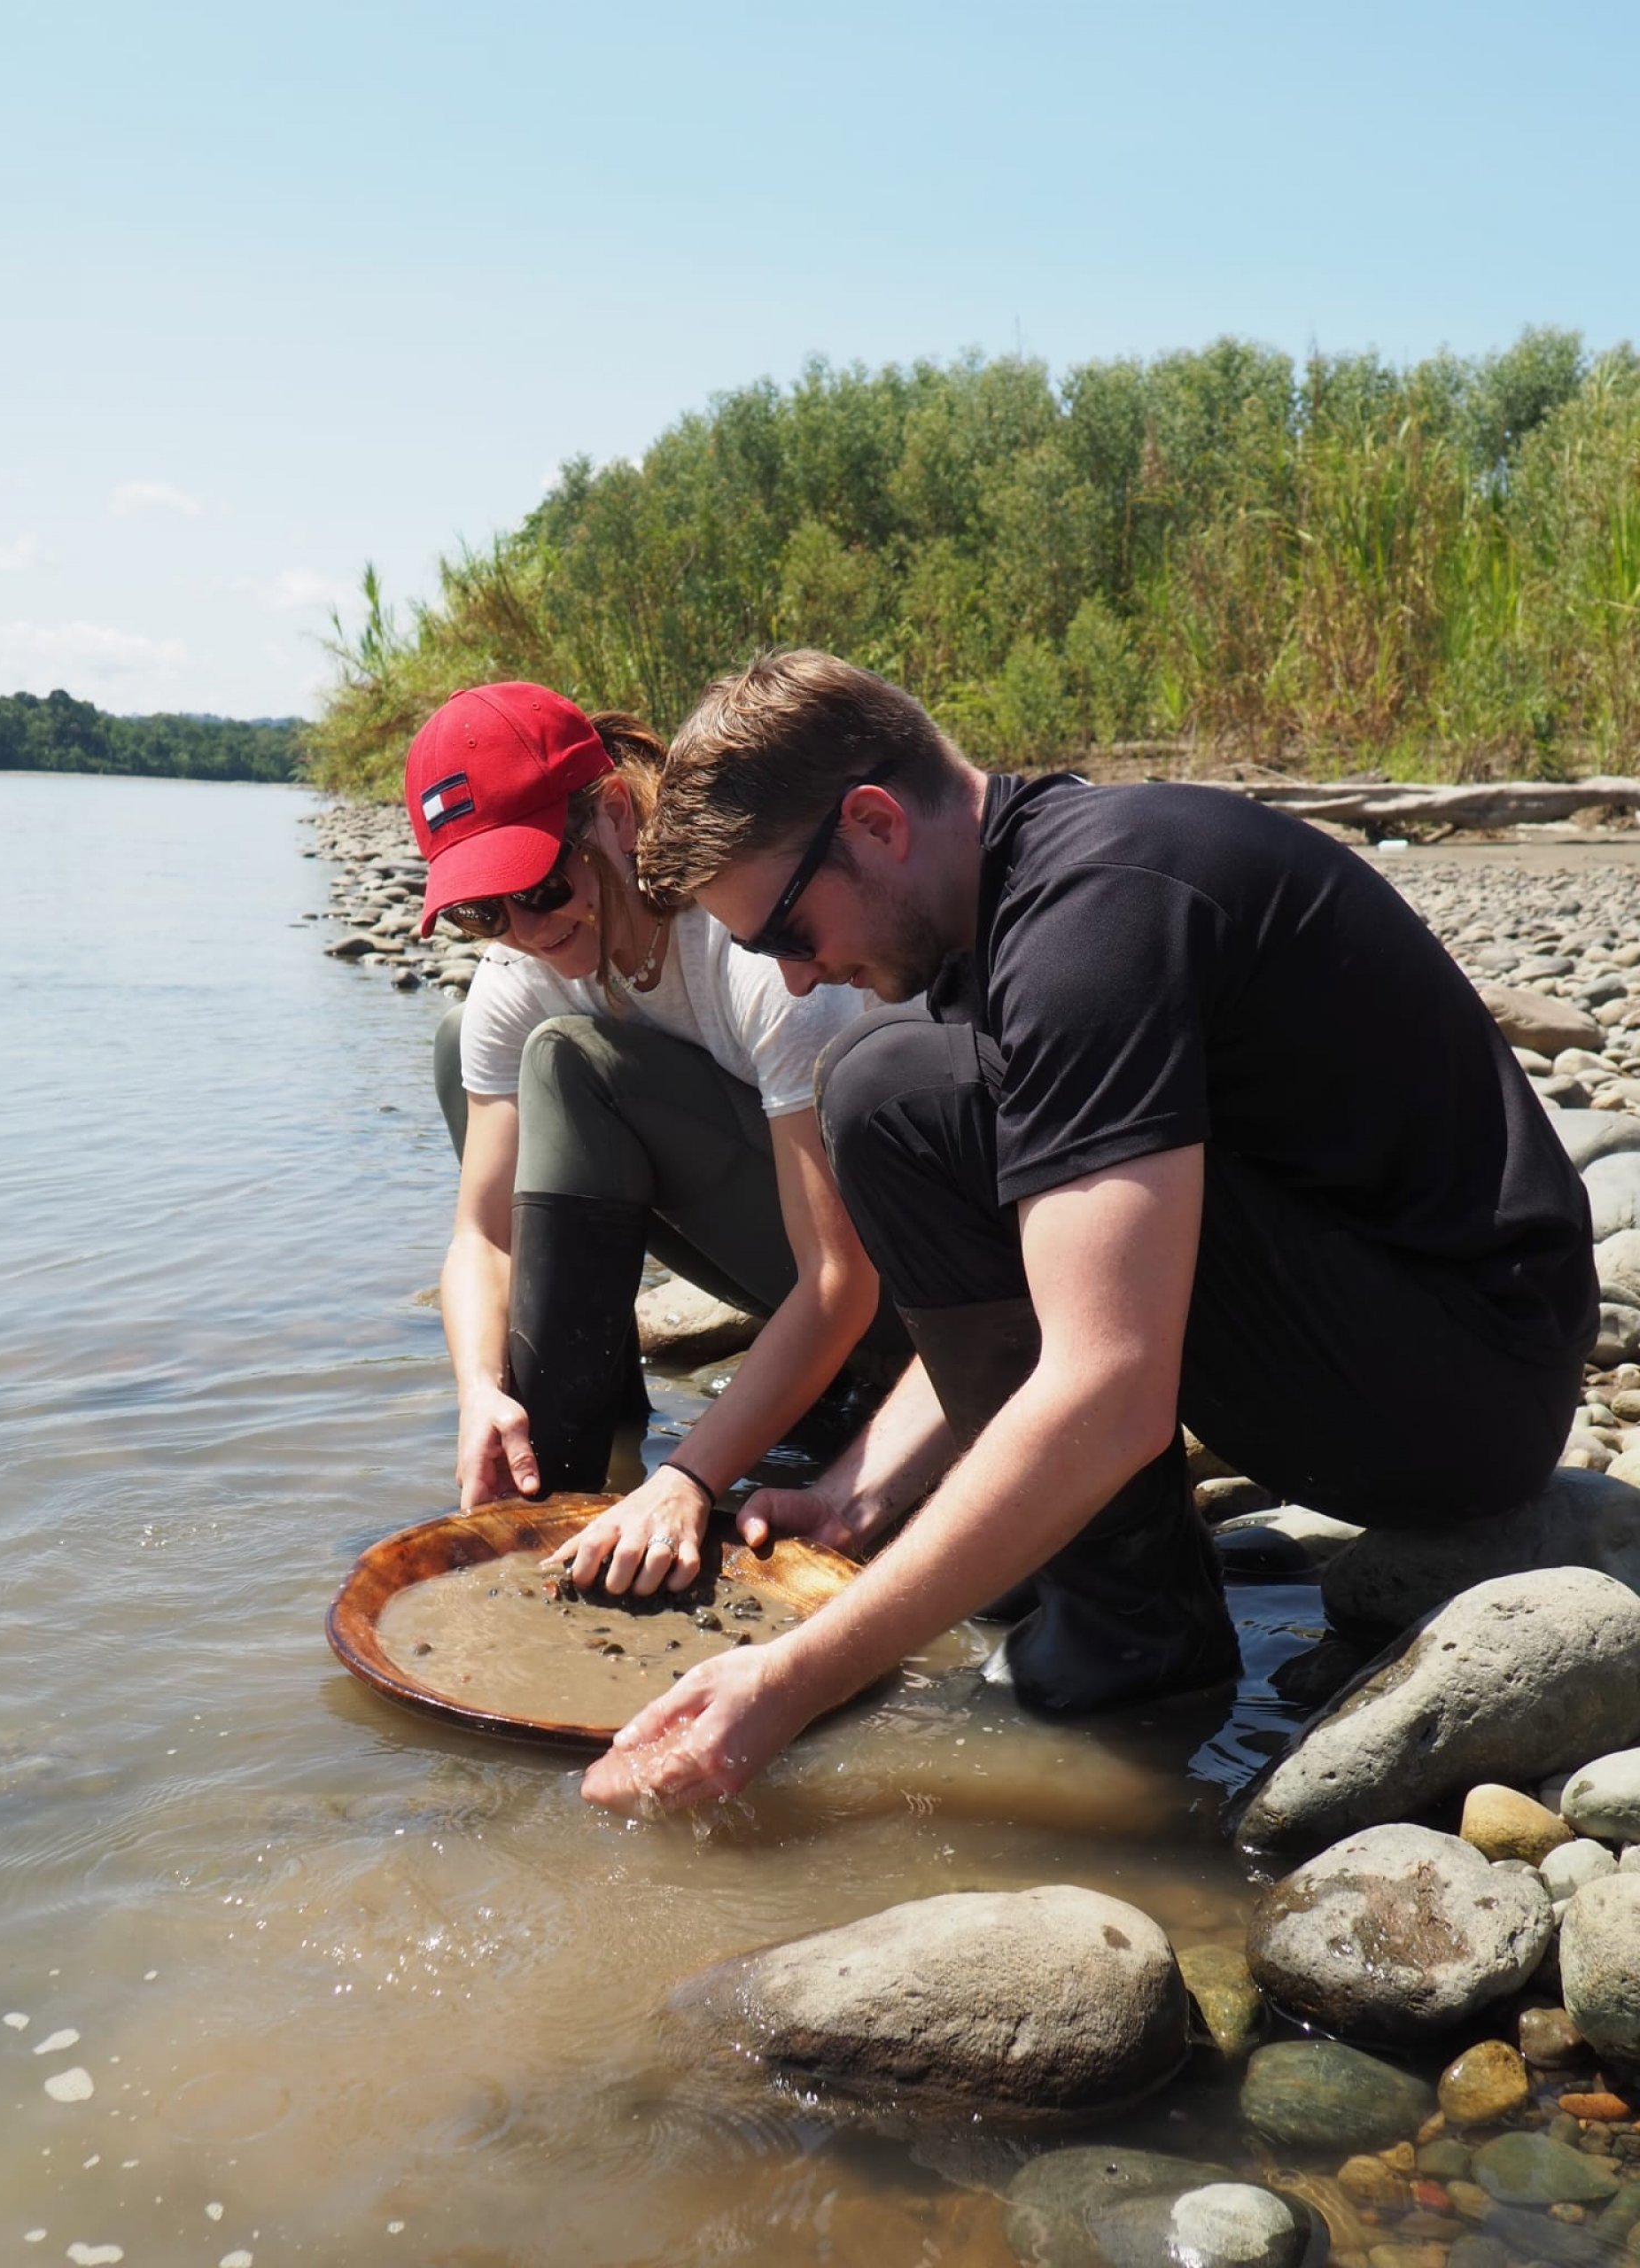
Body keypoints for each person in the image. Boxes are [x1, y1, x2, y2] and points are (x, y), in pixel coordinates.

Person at [577, 648, 1597, 1812]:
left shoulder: (1096, 920)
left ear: (873, 822)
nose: (796, 981)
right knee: (891, 1086)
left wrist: (798, 1678)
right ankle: (1115, 1600)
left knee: (892, 1089)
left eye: (787, 934)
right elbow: (1029, 1267)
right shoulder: (1020, 900)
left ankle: (1135, 1644)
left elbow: (1106, 1385)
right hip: (1410, 1346)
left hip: (1467, 1390)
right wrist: (858, 1496)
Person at [404, 680, 900, 1598]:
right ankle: (580, 1449)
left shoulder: (747, 939)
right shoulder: (521, 965)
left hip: (904, 1293)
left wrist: (691, 1479)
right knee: (463, 1048)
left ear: (615, 813)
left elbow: (842, 1280)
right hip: (781, 1252)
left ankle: (572, 1479)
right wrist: (480, 1390)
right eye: (483, 911)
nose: (523, 932)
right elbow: (480, 1237)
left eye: (540, 887)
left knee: (566, 1060)